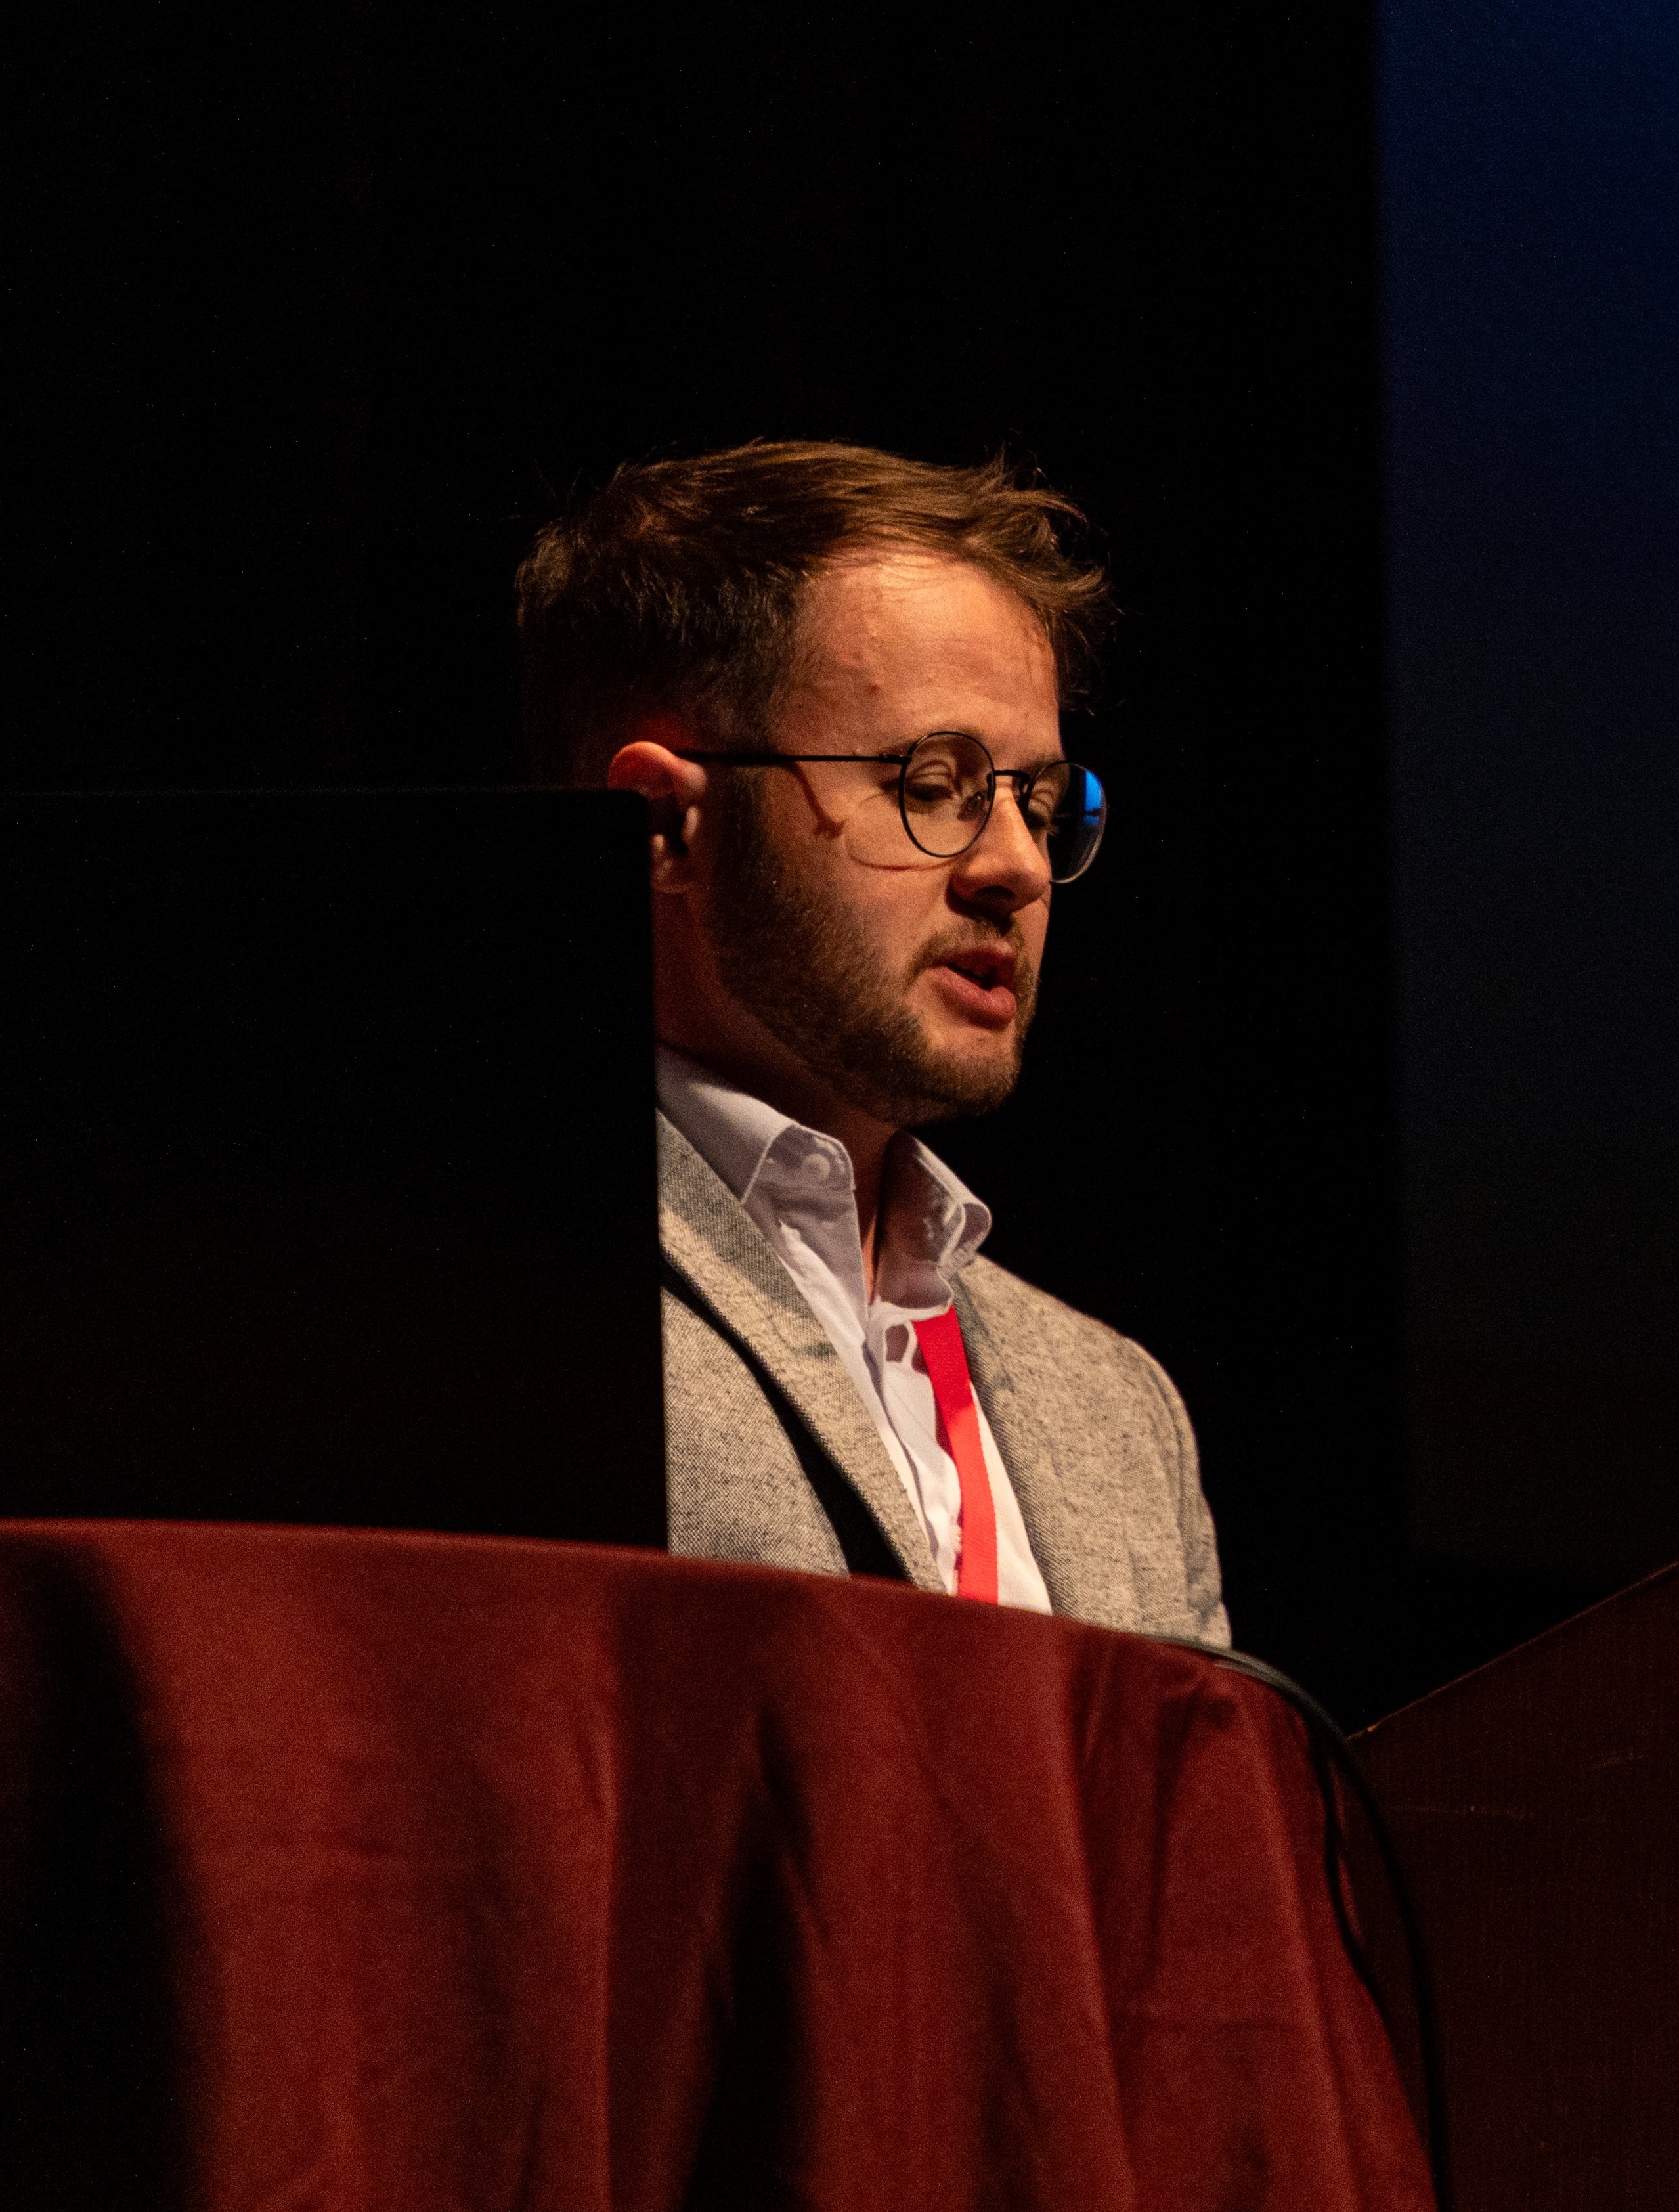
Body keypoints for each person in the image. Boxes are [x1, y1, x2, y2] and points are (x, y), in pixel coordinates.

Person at [513, 438, 1221, 1637]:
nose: (1015, 867)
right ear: (664, 826)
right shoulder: (483, 1310)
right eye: (934, 782)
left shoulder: (1117, 1408)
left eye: (1037, 802)